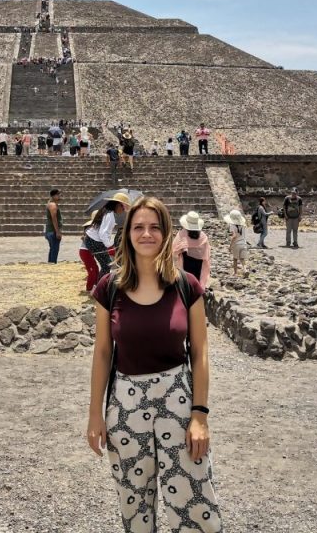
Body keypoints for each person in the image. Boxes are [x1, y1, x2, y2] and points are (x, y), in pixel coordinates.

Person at [87, 197, 222, 533]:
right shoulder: (109, 287)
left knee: (194, 503)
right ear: (127, 233)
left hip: (178, 401)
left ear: (166, 233)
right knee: (134, 506)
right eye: (138, 227)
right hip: (125, 405)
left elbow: (200, 352)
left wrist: (200, 415)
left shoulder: (186, 285)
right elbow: (102, 353)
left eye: (154, 227)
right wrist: (94, 415)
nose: (146, 234)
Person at [84, 194, 129, 277]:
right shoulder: (109, 215)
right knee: (106, 266)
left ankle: (99, 282)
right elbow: (103, 233)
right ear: (118, 205)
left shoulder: (106, 211)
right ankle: (100, 284)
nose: (123, 210)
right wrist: (109, 247)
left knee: (106, 265)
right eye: (123, 207)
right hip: (94, 241)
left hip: (92, 240)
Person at [173, 211, 210, 289]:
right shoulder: (203, 236)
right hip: (199, 263)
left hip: (186, 262)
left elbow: (175, 248)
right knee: (196, 281)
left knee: (186, 282)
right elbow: (206, 251)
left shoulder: (182, 234)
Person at [224, 209, 248, 277]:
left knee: (235, 259)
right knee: (242, 259)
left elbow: (234, 236)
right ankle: (245, 270)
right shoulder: (243, 225)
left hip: (236, 244)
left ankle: (235, 273)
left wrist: (230, 246)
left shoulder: (232, 225)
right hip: (243, 243)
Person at [45, 189, 63, 264]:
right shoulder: (53, 205)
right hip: (53, 231)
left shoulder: (51, 204)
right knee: (54, 249)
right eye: (58, 194)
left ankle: (50, 264)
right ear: (54, 195)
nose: (60, 196)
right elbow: (54, 219)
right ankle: (52, 264)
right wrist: (57, 232)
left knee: (52, 249)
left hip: (51, 231)